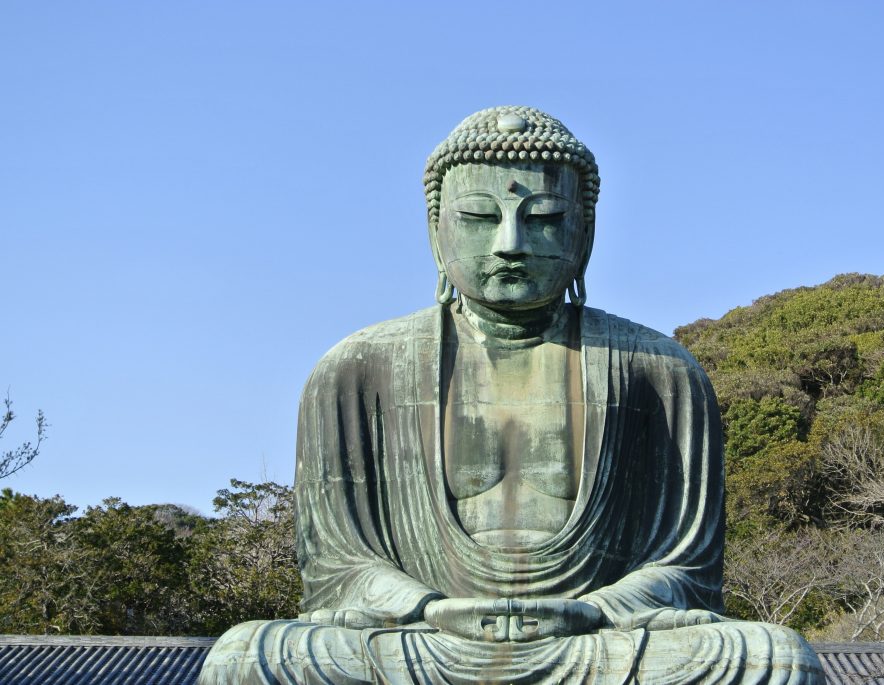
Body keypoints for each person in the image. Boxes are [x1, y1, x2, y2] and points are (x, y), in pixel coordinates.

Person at [198, 106, 825, 684]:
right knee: (242, 659)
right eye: (477, 217)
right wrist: (431, 609)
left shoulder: (659, 372)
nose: (510, 244)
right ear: (435, 229)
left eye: (545, 219)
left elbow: (685, 569)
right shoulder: (356, 371)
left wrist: (587, 612)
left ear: (586, 232)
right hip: (423, 642)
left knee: (774, 661)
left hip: (595, 642)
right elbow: (337, 569)